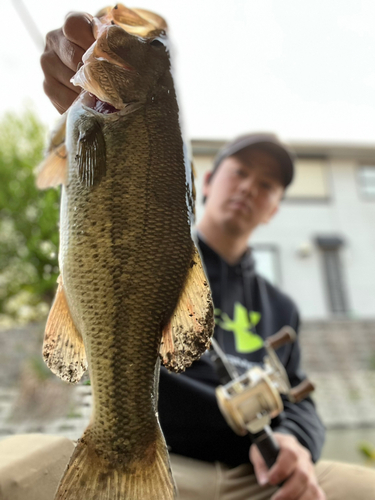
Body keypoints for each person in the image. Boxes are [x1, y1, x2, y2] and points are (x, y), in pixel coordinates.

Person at [40, 12, 375, 500]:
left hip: (262, 479)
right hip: (173, 460)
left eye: (267, 186)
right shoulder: (149, 213)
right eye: (241, 173)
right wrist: (70, 98)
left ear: (275, 207)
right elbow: (77, 169)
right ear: (204, 180)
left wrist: (298, 443)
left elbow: (302, 396)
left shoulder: (281, 307)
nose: (251, 189)